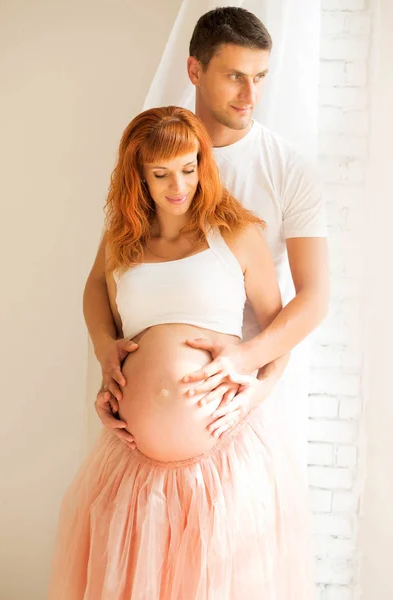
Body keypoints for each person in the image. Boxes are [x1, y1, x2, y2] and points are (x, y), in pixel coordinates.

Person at [48, 106, 313, 599]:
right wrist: (106, 349)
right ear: (138, 176)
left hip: (223, 460)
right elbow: (93, 290)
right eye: (161, 173)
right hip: (132, 466)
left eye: (189, 169)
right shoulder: (123, 240)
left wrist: (257, 390)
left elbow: (280, 332)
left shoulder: (234, 233)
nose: (178, 186)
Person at [85, 7, 329, 459]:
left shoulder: (289, 169)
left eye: (260, 77)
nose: (250, 94)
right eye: (236, 76)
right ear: (194, 70)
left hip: (236, 402)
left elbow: (313, 297)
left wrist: (250, 366)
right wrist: (107, 355)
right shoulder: (154, 153)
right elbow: (103, 277)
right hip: (142, 426)